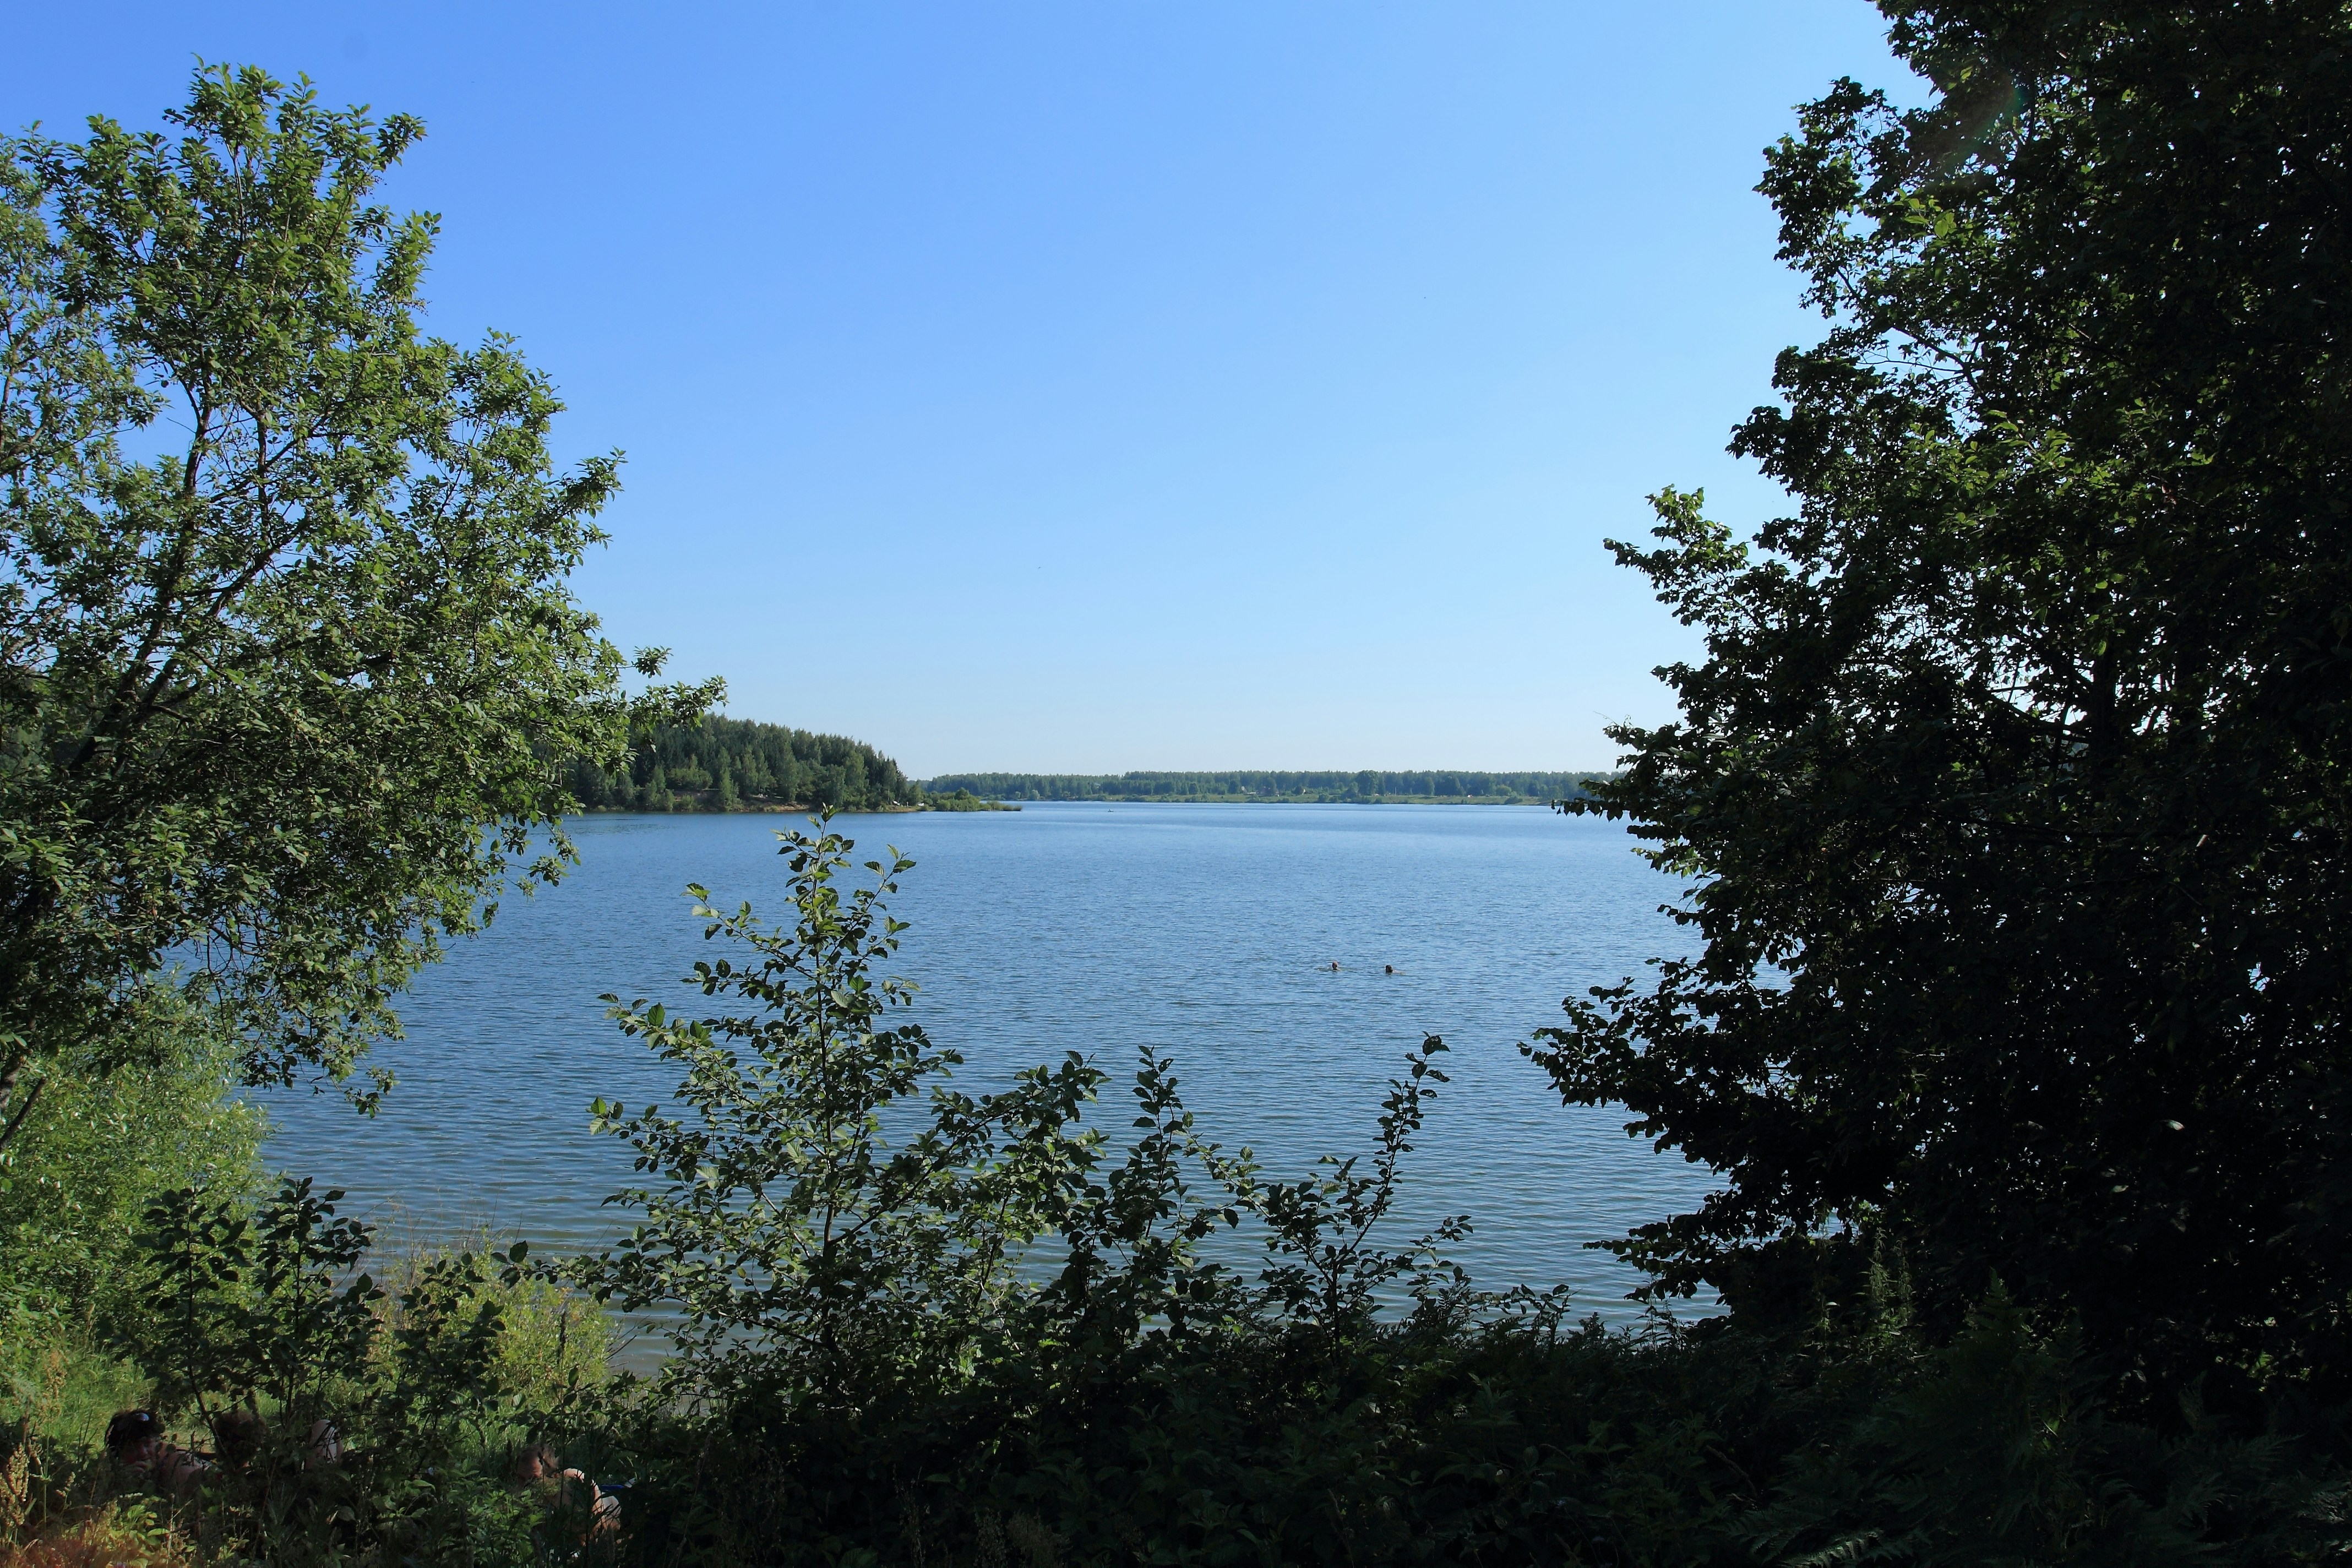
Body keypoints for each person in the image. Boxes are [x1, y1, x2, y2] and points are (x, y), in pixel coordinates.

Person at [514, 1444, 620, 1544]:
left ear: (554, 1474)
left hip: (618, 1508)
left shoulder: (573, 1482)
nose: (525, 1487)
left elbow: (594, 1534)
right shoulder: (530, 1498)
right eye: (521, 1479)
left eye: (534, 1479)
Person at [105, 1410, 208, 1497]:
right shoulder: (110, 1471)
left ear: (158, 1443)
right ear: (118, 1456)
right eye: (132, 1449)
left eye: (147, 1444)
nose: (143, 1453)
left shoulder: (177, 1465)